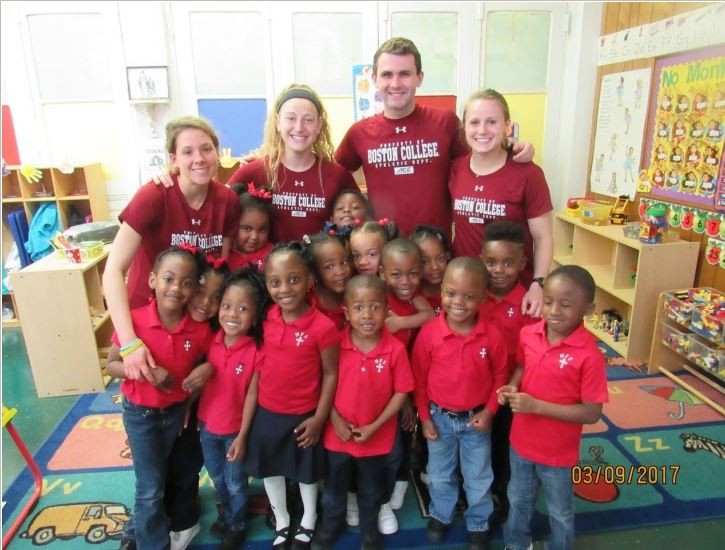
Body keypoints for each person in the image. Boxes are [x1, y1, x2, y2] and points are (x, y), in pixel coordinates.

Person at [103, 116, 240, 549]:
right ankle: (145, 525)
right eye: (187, 151)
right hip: (148, 321)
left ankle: (181, 512)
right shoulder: (154, 195)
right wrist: (129, 343)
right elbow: (112, 272)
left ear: (218, 152)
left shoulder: (226, 200)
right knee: (150, 436)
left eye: (206, 149)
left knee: (186, 435)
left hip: (192, 326)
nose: (198, 158)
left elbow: (218, 269)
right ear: (171, 159)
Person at [334, 37, 534, 237]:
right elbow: (333, 176)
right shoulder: (359, 133)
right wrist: (359, 208)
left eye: (405, 74)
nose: (395, 83)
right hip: (386, 254)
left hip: (437, 254)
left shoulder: (445, 122)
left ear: (419, 77)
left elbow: (481, 158)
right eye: (387, 75)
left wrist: (512, 148)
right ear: (375, 79)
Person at [106, 245, 212, 550]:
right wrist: (147, 373)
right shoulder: (134, 322)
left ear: (194, 289)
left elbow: (207, 363)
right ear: (152, 280)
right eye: (168, 278)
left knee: (171, 475)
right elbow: (112, 365)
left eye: (187, 282)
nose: (176, 288)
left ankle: (144, 529)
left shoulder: (199, 330)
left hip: (177, 414)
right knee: (150, 487)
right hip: (141, 415)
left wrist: (203, 373)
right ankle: (152, 543)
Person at [497, 265, 608, 550]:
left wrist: (537, 407)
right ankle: (516, 542)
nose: (554, 311)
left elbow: (592, 412)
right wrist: (512, 385)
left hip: (557, 452)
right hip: (521, 442)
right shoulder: (529, 334)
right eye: (548, 302)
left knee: (559, 510)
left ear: (589, 308)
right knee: (519, 498)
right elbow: (523, 366)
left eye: (566, 305)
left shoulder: (589, 356)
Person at [245, 242, 339, 550]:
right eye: (275, 281)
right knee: (270, 469)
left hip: (304, 416)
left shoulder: (323, 327)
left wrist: (319, 418)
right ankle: (282, 520)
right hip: (268, 412)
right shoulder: (267, 317)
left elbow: (330, 374)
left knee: (305, 473)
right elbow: (260, 367)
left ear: (310, 279)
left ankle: (309, 518)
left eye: (294, 279)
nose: (284, 288)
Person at [412, 257, 508, 550]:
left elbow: (501, 376)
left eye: (469, 296)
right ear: (441, 291)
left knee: (478, 475)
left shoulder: (491, 336)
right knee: (439, 474)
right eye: (451, 293)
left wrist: (491, 411)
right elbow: (419, 378)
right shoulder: (430, 333)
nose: (459, 302)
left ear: (482, 297)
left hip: (476, 420)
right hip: (439, 418)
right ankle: (441, 515)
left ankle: (478, 522)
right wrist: (425, 418)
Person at [314, 275, 414, 550]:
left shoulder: (394, 349)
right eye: (358, 308)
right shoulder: (334, 343)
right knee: (334, 491)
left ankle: (370, 532)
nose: (367, 315)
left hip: (376, 439)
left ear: (386, 309)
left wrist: (376, 426)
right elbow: (322, 382)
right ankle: (331, 527)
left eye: (375, 307)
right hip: (337, 437)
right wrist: (335, 421)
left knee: (371, 490)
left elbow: (401, 392)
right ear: (347, 312)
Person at [448, 88, 553, 317]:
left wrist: (539, 284)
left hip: (513, 292)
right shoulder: (455, 169)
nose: (482, 130)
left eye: (492, 122)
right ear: (464, 127)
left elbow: (543, 237)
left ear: (507, 125)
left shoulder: (528, 174)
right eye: (474, 122)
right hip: (468, 291)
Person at [228, 83, 358, 243]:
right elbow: (219, 210)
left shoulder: (338, 176)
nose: (299, 127)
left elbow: (362, 224)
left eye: (308, 120)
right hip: (268, 267)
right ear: (277, 122)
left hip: (319, 266)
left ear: (319, 125)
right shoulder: (253, 171)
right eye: (290, 118)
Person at [197, 267, 270, 549]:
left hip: (234, 432)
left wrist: (242, 436)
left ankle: (237, 525)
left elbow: (252, 395)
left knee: (237, 482)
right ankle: (227, 514)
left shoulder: (256, 351)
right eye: (226, 306)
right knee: (217, 479)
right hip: (207, 427)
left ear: (254, 317)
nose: (231, 314)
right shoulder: (211, 341)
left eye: (242, 309)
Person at [478, 221, 536, 526]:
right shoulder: (475, 297)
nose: (499, 270)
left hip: (512, 391)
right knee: (479, 442)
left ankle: (504, 491)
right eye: (491, 262)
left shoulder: (529, 304)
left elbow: (526, 360)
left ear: (523, 264)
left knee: (506, 442)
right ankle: (479, 487)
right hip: (478, 390)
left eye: (508, 263)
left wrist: (508, 389)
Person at [380, 237, 435, 350]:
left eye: (413, 273)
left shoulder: (414, 295)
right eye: (396, 274)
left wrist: (400, 323)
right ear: (383, 273)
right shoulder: (378, 293)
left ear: (421, 272)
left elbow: (430, 315)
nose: (405, 282)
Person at [305, 232, 353, 331]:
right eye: (329, 267)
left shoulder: (356, 293)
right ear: (314, 271)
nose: (340, 271)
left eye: (343, 262)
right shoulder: (307, 301)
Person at [228, 183, 275, 271]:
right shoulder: (224, 253)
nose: (254, 236)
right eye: (247, 228)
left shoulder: (272, 256)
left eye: (262, 229)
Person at [410, 224, 450, 316]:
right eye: (425, 261)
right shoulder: (409, 293)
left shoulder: (453, 293)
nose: (435, 266)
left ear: (447, 256)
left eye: (440, 258)